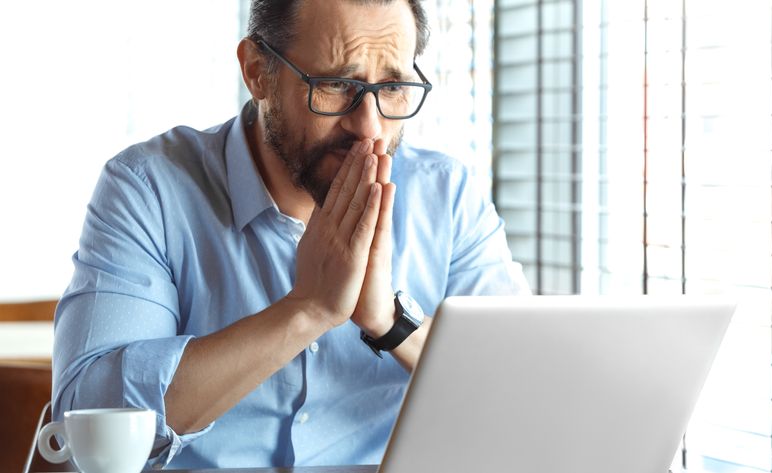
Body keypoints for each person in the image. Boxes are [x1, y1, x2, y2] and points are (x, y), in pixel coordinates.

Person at [52, 0, 529, 469]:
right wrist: (308, 308)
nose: (370, 128)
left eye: (392, 87)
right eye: (336, 85)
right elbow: (88, 417)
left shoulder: (448, 197)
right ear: (257, 72)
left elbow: (522, 392)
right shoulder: (149, 188)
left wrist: (389, 321)